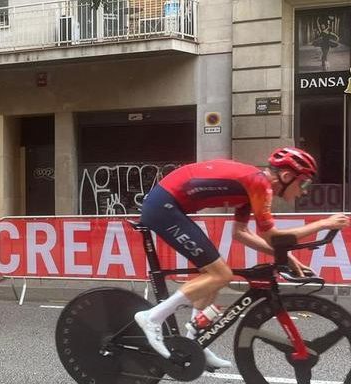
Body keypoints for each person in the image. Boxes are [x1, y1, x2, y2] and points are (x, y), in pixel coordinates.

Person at [134, 147, 349, 370]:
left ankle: (192, 341)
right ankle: (152, 317)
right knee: (221, 274)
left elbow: (241, 233)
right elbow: (272, 236)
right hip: (163, 207)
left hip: (168, 205)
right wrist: (323, 223)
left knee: (215, 274)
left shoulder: (252, 186)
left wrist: (285, 256)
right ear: (287, 176)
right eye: (304, 184)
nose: (303, 192)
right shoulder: (259, 185)